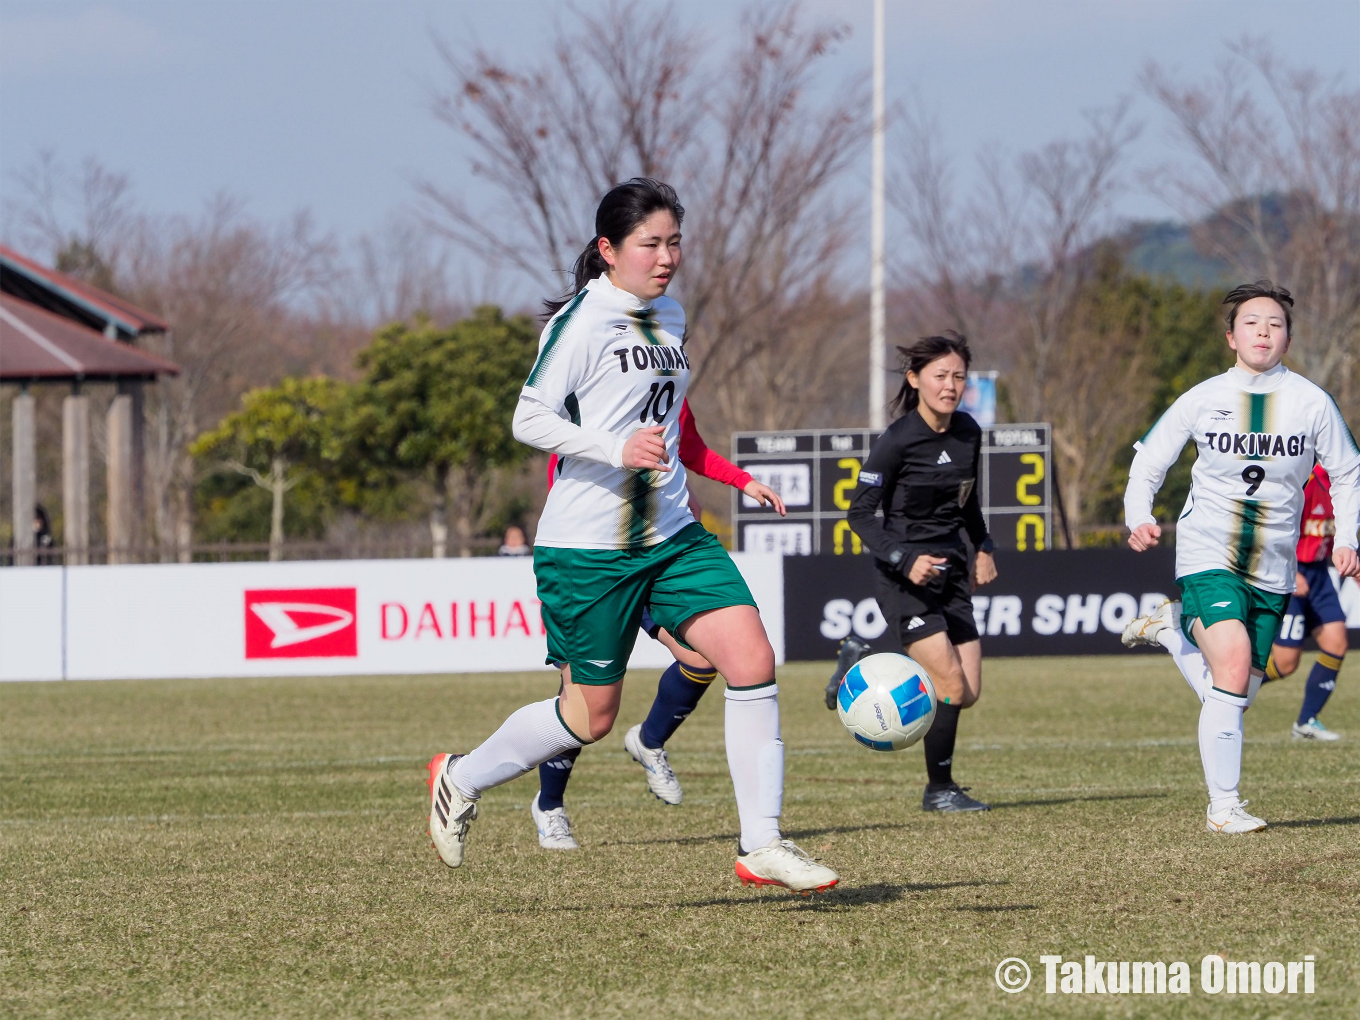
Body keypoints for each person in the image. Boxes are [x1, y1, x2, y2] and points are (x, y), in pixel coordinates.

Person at [426, 178, 838, 893]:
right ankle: (460, 777)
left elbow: (675, 427)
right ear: (609, 249)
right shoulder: (581, 322)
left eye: (675, 242)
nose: (667, 257)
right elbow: (528, 418)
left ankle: (762, 843)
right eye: (651, 243)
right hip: (588, 551)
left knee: (751, 656)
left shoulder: (671, 315)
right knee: (589, 717)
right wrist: (615, 449)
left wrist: (726, 478)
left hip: (673, 536)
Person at [1121, 280, 1360, 835]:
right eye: (1252, 323)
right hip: (1208, 551)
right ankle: (1223, 807)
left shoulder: (1312, 402)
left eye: (1275, 324)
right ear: (1231, 337)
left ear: (1288, 338)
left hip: (1274, 567)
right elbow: (1150, 461)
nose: (1263, 332)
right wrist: (1138, 515)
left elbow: (1349, 472)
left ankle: (1171, 630)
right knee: (1230, 666)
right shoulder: (1202, 397)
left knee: (1236, 694)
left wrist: (1347, 538)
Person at [531, 401, 788, 850]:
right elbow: (566, 469)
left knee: (701, 658)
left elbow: (691, 449)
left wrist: (743, 481)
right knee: (582, 699)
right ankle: (549, 805)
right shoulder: (592, 392)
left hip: (659, 555)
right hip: (597, 560)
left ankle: (649, 741)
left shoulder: (670, 386)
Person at [842, 331, 998, 813]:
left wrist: (984, 547)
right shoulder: (897, 441)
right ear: (915, 379)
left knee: (966, 693)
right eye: (940, 376)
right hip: (904, 577)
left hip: (952, 572)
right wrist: (904, 559)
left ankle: (860, 657)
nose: (950, 385)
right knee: (948, 685)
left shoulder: (969, 432)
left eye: (959, 377)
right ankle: (939, 790)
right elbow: (859, 514)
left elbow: (967, 501)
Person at [1262, 466, 1346, 740]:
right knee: (1286, 663)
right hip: (1290, 571)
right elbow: (1273, 526)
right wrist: (1292, 571)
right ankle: (1228, 691)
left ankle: (1306, 722)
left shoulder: (1346, 485)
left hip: (1320, 573)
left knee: (1336, 643)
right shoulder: (1308, 480)